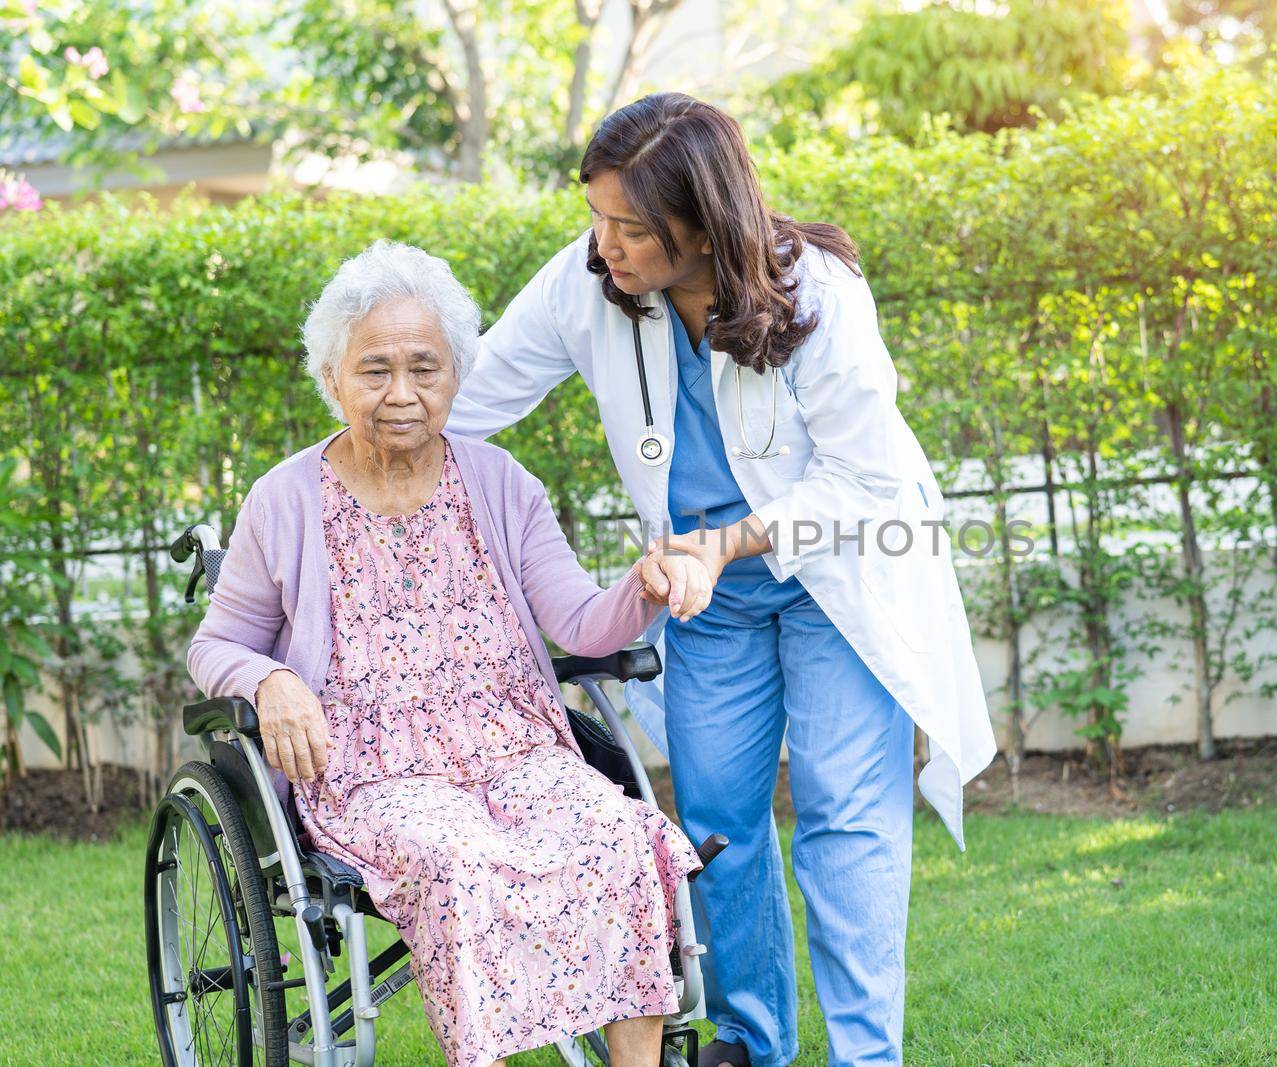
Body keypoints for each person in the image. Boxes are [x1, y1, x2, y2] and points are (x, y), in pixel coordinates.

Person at [444, 94, 997, 1067]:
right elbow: (468, 401)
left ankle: (866, 1056)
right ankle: (749, 1043)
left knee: (843, 816)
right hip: (709, 601)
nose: (604, 244)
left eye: (631, 226)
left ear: (700, 223)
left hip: (840, 579)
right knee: (716, 822)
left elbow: (865, 479)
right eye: (596, 215)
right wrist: (343, 476)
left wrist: (722, 542)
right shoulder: (585, 282)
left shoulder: (814, 288)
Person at [187, 239, 714, 1067]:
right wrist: (272, 676)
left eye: (425, 368)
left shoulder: (504, 482)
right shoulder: (283, 499)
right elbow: (217, 642)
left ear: (456, 377)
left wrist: (644, 587)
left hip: (519, 749)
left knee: (615, 833)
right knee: (460, 860)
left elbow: (579, 621)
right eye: (375, 370)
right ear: (332, 378)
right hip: (372, 772)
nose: (402, 393)